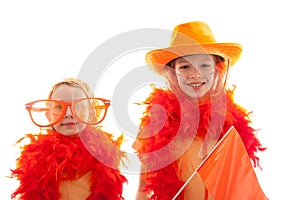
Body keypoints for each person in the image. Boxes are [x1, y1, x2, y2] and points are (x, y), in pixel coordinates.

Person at [133, 21, 266, 199]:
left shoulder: (230, 124)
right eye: (185, 66)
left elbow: (241, 186)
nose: (195, 74)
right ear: (172, 73)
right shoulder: (157, 125)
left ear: (217, 69)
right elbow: (143, 190)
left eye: (204, 65)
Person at [11, 78, 127, 200]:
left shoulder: (104, 154)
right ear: (48, 116)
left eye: (78, 106)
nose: (68, 113)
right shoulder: (36, 159)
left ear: (90, 114)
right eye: (59, 107)